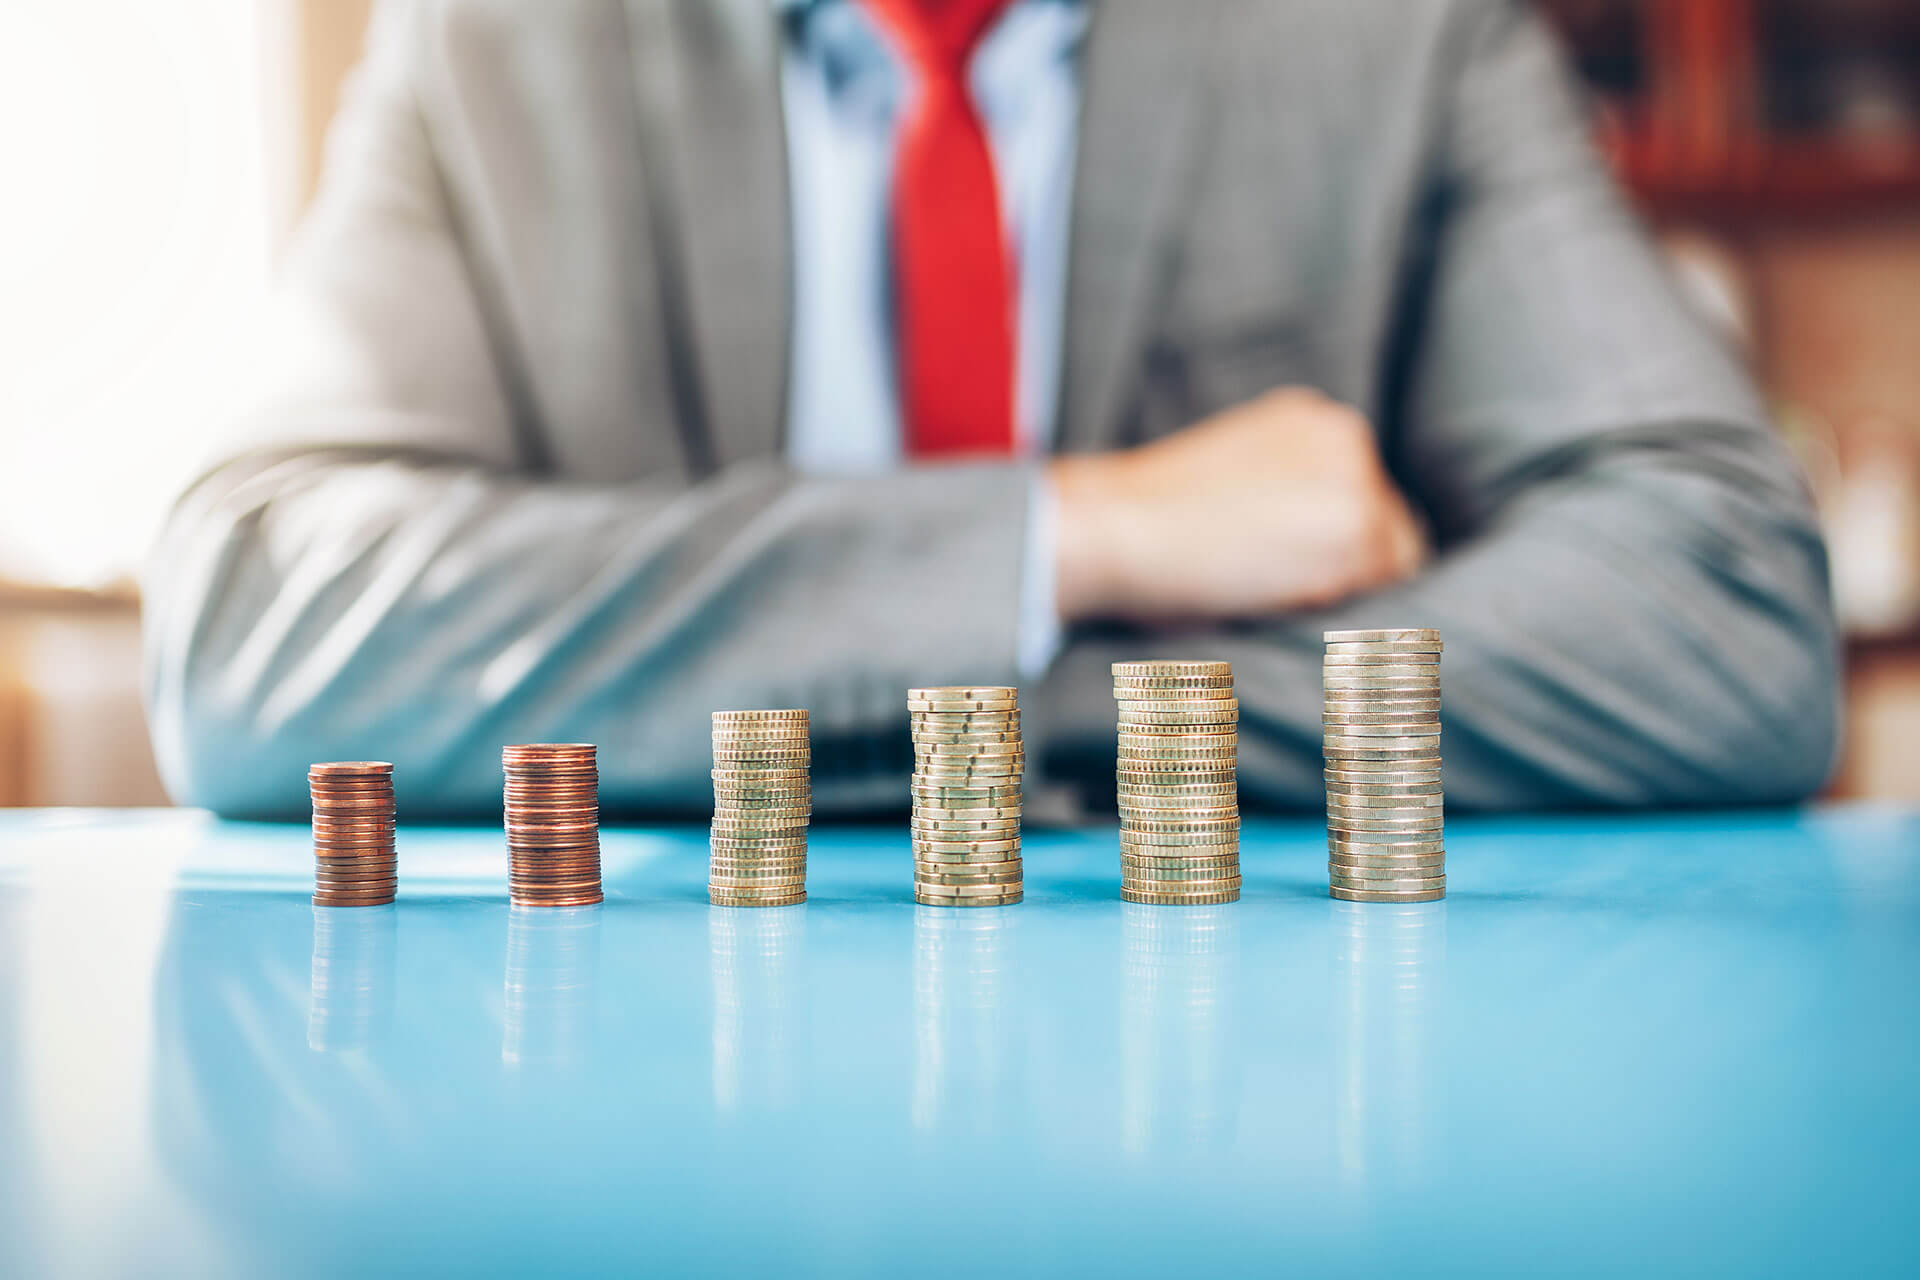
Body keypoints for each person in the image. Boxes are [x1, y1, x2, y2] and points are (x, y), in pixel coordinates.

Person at [141, 0, 1839, 819]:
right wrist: (1075, 534)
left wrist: (975, 712)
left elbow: (1724, 608)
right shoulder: (499, 45)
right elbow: (254, 631)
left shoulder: (1393, 36)